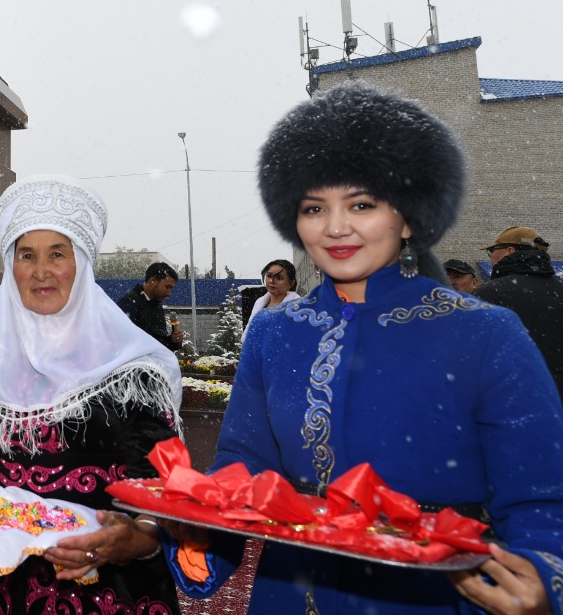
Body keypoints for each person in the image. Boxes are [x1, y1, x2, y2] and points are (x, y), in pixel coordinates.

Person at [162, 82, 563, 614]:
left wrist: (542, 575)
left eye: (362, 204)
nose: (335, 227)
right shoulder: (276, 331)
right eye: (313, 207)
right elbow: (243, 465)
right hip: (288, 593)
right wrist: (197, 532)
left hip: (430, 596)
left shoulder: (486, 333)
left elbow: (542, 497)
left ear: (409, 216)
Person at [0, 175, 184, 614]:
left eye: (58, 253)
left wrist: (140, 536)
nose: (41, 271)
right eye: (26, 255)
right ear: (11, 267)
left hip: (102, 591)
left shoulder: (133, 375)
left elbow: (163, 488)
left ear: (83, 265)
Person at [474, 226, 563, 399]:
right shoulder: (559, 290)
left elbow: (475, 351)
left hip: (513, 396)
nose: (491, 257)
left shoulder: (491, 292)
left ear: (510, 251)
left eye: (492, 251)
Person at [117, 262, 183, 351]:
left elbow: (158, 341)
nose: (169, 293)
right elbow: (123, 341)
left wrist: (173, 341)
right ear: (152, 281)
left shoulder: (157, 305)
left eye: (171, 288)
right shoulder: (128, 303)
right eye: (167, 287)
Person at [243, 259, 300, 334]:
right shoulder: (259, 303)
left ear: (291, 282)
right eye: (269, 276)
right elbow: (249, 334)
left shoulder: (298, 307)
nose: (272, 281)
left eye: (279, 278)